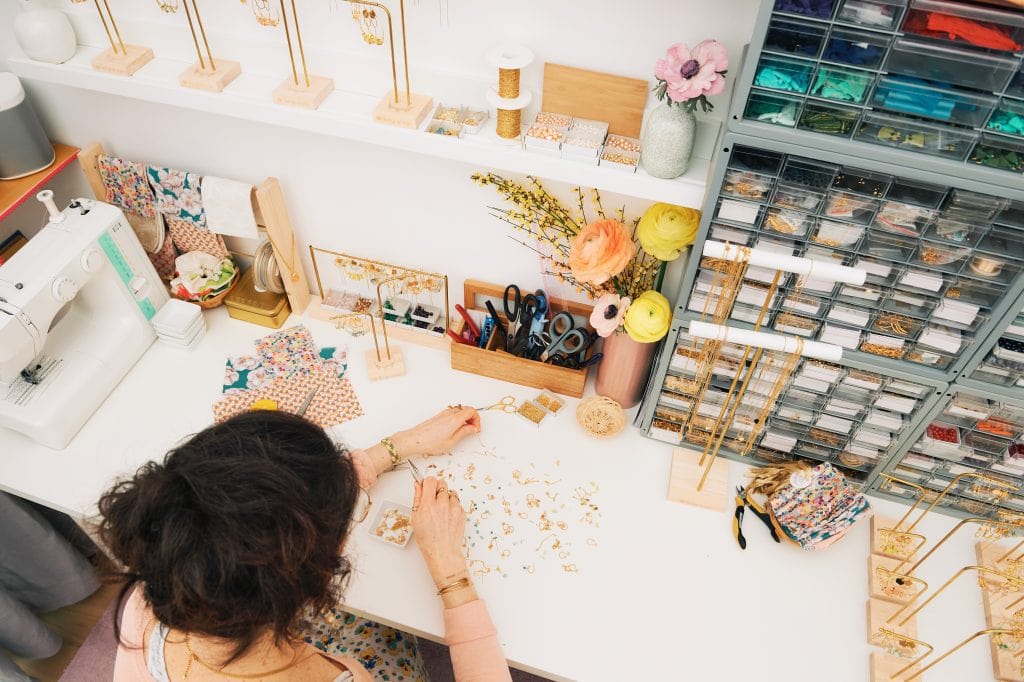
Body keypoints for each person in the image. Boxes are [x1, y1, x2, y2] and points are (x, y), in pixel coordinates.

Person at [99, 406, 512, 681]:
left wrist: (396, 446)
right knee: (389, 636)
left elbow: (258, 501)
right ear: (316, 570)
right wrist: (450, 570)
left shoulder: (159, 580)